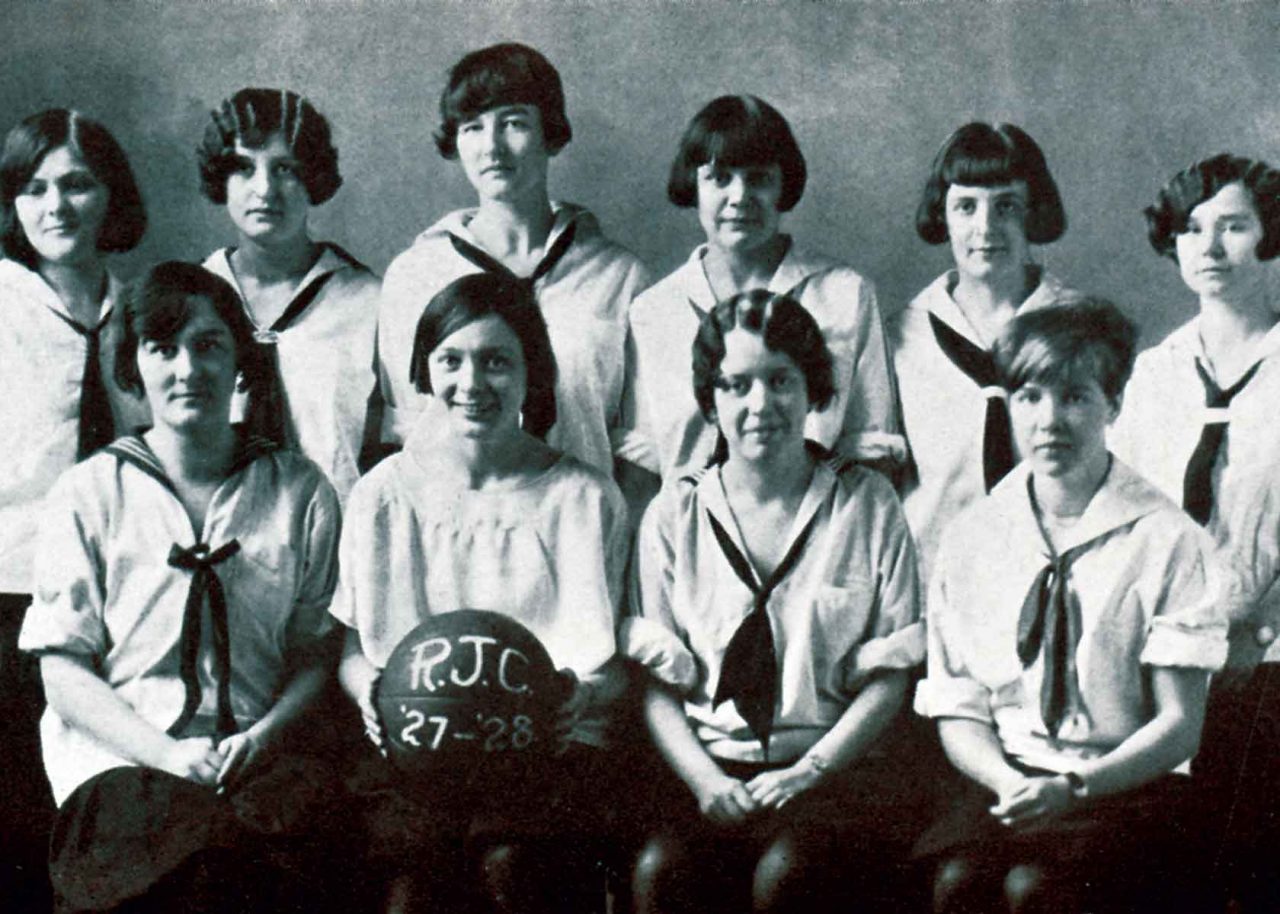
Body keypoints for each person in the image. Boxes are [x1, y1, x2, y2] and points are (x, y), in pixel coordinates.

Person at [18, 262, 344, 913]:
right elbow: (64, 673)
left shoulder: (299, 490)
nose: (187, 369)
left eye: (208, 345)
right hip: (123, 772)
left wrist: (261, 738)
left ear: (239, 359)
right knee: (199, 872)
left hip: (257, 765)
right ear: (135, 366)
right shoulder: (88, 492)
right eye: (163, 349)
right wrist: (168, 754)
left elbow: (315, 654)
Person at [915, 300, 1227, 913]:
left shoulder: (1169, 538)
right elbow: (959, 704)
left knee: (1035, 892)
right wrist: (1008, 781)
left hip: (1128, 785)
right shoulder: (973, 536)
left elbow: (1178, 726)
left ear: (1113, 405)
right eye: (1029, 397)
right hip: (1012, 778)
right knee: (955, 882)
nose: (1049, 420)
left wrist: (1077, 785)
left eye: (1075, 397)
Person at [334, 272, 630, 914]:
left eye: (497, 361)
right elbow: (355, 648)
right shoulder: (382, 496)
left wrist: (580, 698)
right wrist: (368, 691)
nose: (473, 385)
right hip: (415, 762)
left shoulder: (584, 499)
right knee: (413, 887)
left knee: (515, 869)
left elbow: (618, 669)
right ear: (424, 371)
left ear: (532, 372)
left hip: (548, 759)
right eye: (452, 361)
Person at [624, 290, 926, 913]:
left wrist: (809, 771)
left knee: (788, 876)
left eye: (780, 381)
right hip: (707, 767)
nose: (760, 405)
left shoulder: (867, 503)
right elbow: (656, 686)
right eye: (736, 385)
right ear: (711, 400)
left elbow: (892, 679)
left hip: (833, 769)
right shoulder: (672, 515)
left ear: (813, 389)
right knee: (663, 871)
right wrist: (706, 781)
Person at [1110, 153, 1280, 912]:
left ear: (1270, 236)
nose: (1209, 248)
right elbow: (1133, 520)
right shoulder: (1153, 373)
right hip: (1173, 649)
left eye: (1233, 227)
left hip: (1269, 654)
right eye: (1191, 229)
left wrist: (1261, 630)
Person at [376, 42, 651, 487]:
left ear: (550, 133)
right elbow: (408, 431)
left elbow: (639, 449)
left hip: (579, 526)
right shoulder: (414, 276)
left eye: (514, 123)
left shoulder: (620, 278)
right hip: (453, 529)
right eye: (473, 127)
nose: (493, 147)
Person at [0, 107, 148, 907]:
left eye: (77, 185)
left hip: (116, 604)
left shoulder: (144, 314)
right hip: (7, 592)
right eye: (34, 188)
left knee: (95, 814)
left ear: (110, 197)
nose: (55, 206)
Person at [626, 95, 901, 480]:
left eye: (759, 179)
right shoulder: (653, 311)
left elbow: (872, 448)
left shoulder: (844, 295)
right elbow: (643, 462)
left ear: (783, 185)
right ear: (694, 183)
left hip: (821, 527)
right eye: (719, 178)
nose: (739, 197)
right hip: (688, 531)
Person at [890, 122, 1082, 588]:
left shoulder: (1081, 329)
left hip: (1059, 585)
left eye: (1007, 206)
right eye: (966, 206)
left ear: (1033, 214)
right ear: (944, 215)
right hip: (935, 589)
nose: (986, 227)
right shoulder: (901, 337)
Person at [197, 87, 381, 504]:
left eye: (285, 170)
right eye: (244, 168)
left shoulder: (368, 303)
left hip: (337, 542)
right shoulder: (192, 299)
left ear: (312, 177)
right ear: (221, 180)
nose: (264, 189)